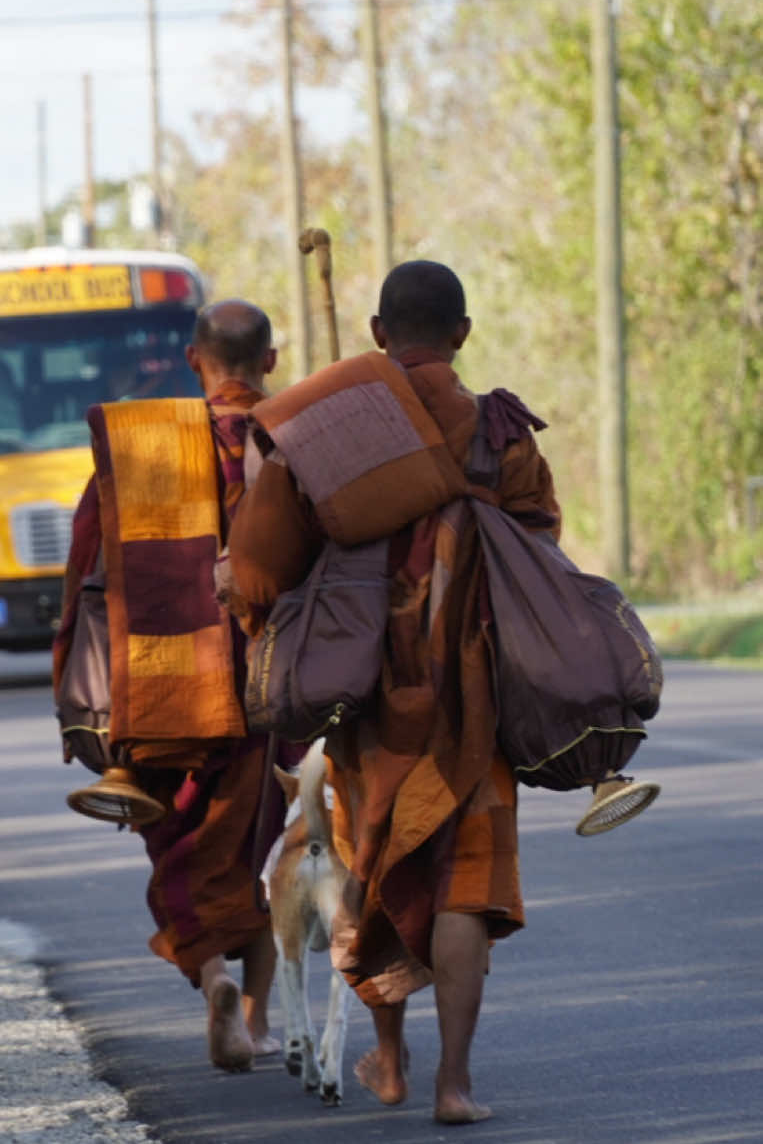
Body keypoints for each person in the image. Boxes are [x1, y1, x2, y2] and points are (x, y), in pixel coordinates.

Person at [225, 260, 560, 1125]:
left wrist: (276, 620)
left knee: (372, 867)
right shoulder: (502, 434)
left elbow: (258, 568)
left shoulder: (326, 431)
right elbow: (539, 551)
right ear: (462, 334)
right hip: (476, 702)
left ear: (378, 333)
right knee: (464, 887)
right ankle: (454, 1081)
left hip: (368, 700)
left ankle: (387, 1056)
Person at [54, 299, 286, 1074]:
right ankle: (254, 1019)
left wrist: (77, 678)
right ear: (270, 361)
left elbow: (88, 565)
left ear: (193, 361)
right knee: (250, 849)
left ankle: (214, 974)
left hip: (161, 681)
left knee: (179, 848)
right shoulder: (290, 439)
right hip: (266, 683)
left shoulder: (142, 444)